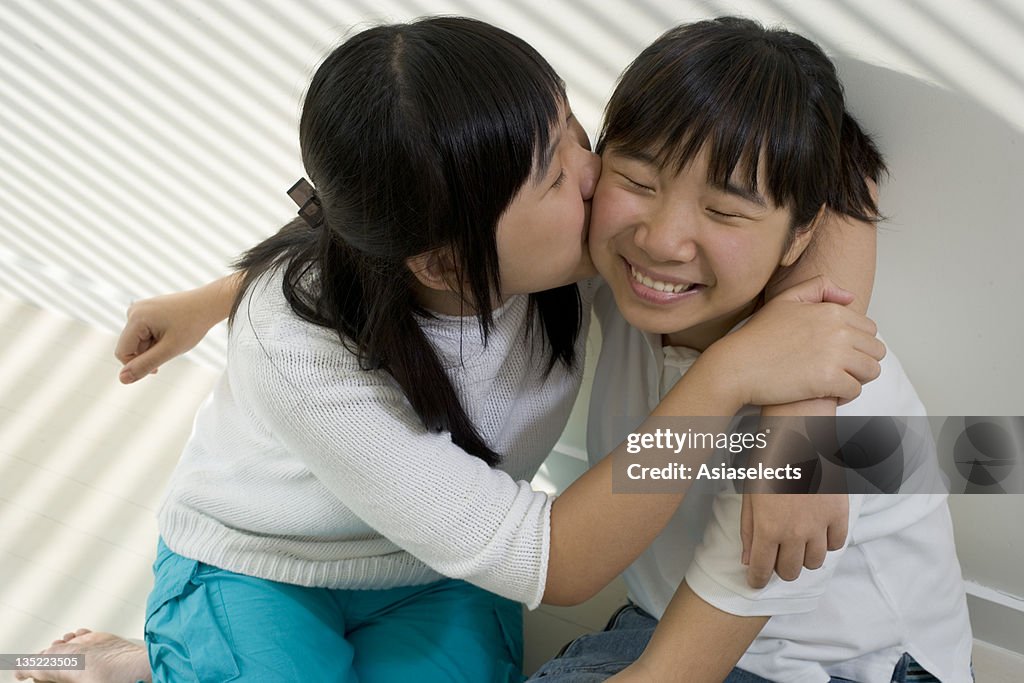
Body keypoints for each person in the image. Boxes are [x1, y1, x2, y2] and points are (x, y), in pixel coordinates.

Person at [17, 16, 886, 683]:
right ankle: (156, 658)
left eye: (574, 131)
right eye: (557, 172)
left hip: (445, 559)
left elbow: (836, 185)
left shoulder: (572, 229)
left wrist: (800, 423)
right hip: (267, 564)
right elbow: (565, 560)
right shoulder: (307, 358)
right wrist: (733, 373)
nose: (599, 179)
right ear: (447, 259)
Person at [528, 17, 973, 683]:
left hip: (854, 669)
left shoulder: (834, 417)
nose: (663, 241)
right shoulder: (631, 282)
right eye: (640, 182)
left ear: (800, 238)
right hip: (665, 619)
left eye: (726, 213)